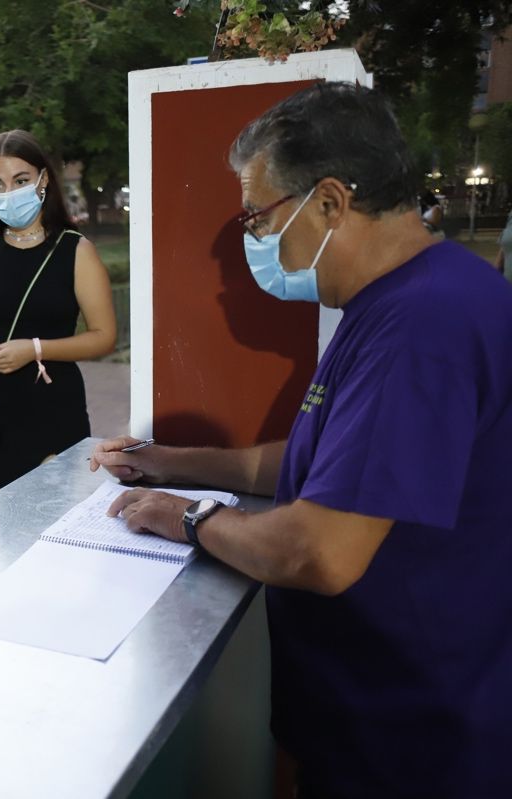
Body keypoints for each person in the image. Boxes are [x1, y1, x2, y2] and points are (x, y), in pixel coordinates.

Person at [92, 83, 512, 799]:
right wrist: (171, 463)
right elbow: (324, 459)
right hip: (378, 717)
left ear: (328, 202)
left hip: (411, 742)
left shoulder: (421, 327)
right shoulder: (402, 297)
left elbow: (320, 548)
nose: (254, 239)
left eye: (258, 216)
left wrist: (187, 517)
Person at [0, 130, 117, 498]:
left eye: (20, 180)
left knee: (59, 525)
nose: (9, 192)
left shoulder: (76, 250)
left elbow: (104, 336)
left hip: (53, 408)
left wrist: (35, 349)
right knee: (0, 534)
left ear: (43, 180)